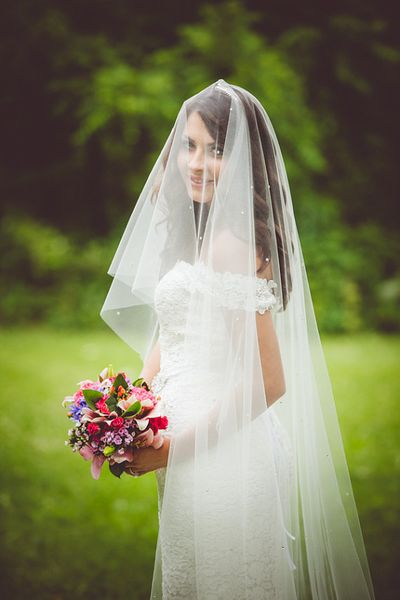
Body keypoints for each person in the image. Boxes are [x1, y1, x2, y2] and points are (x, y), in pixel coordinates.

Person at [100, 79, 375, 599]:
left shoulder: (232, 243)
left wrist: (171, 450)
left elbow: (269, 382)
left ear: (245, 159)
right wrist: (128, 406)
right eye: (190, 145)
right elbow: (175, 328)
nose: (196, 163)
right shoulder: (197, 231)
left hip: (222, 454)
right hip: (187, 451)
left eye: (216, 150)